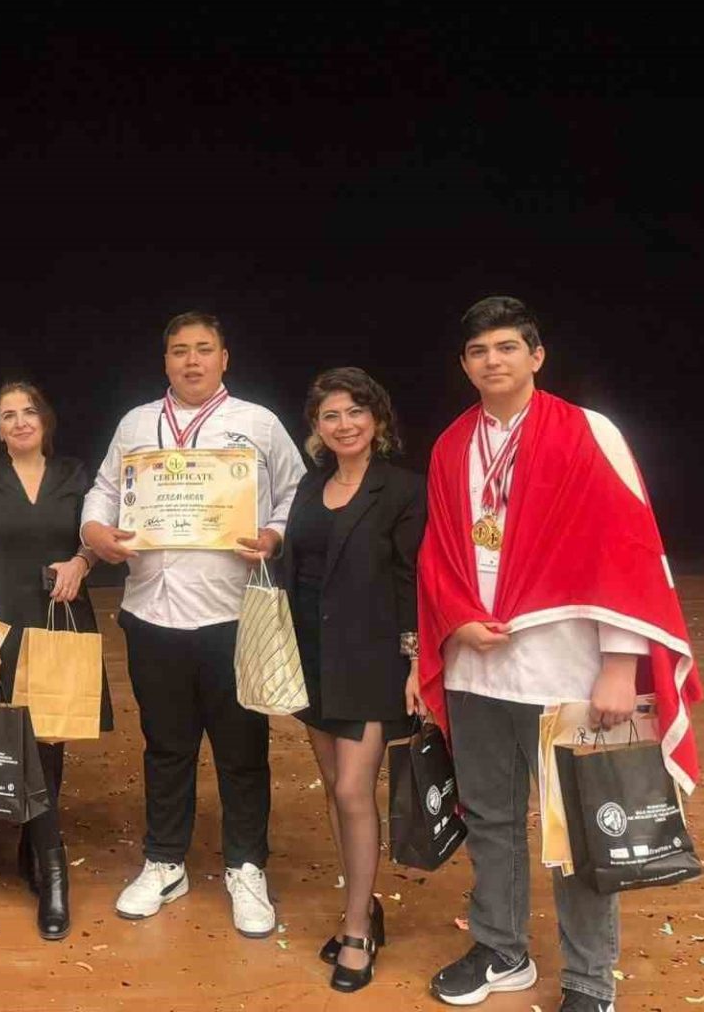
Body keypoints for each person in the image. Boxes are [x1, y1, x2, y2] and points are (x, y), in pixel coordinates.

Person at [418, 296, 702, 1012]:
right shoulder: (451, 445)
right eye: (479, 351)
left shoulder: (587, 431)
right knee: (489, 817)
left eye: (507, 347)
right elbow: (438, 553)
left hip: (566, 669)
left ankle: (588, 980)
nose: (492, 361)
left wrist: (620, 666)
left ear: (536, 356)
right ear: (464, 365)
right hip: (477, 665)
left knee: (578, 827)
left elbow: (626, 547)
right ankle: (501, 950)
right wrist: (454, 619)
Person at [80, 310, 305, 934]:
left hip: (233, 614)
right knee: (166, 747)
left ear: (224, 358)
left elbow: (297, 493)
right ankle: (165, 860)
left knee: (242, 752)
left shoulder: (257, 423)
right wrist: (95, 530)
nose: (192, 361)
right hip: (151, 612)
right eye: (180, 351)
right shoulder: (136, 423)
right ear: (166, 361)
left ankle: (246, 866)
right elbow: (103, 488)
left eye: (204, 349)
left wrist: (273, 534)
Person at [275, 368, 425, 992]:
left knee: (353, 791)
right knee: (335, 791)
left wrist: (416, 662)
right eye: (331, 415)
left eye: (355, 412)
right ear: (317, 427)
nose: (344, 425)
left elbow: (414, 577)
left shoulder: (403, 489)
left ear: (377, 419)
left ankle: (358, 928)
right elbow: (298, 563)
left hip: (371, 659)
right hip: (313, 656)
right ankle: (363, 903)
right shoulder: (311, 486)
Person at [0, 381, 112, 940]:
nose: (20, 421)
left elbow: (96, 535)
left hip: (57, 614)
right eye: (8, 415)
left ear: (45, 419)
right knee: (15, 733)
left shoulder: (74, 474)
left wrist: (82, 561)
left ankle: (43, 857)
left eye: (28, 412)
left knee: (51, 736)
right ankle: (48, 859)